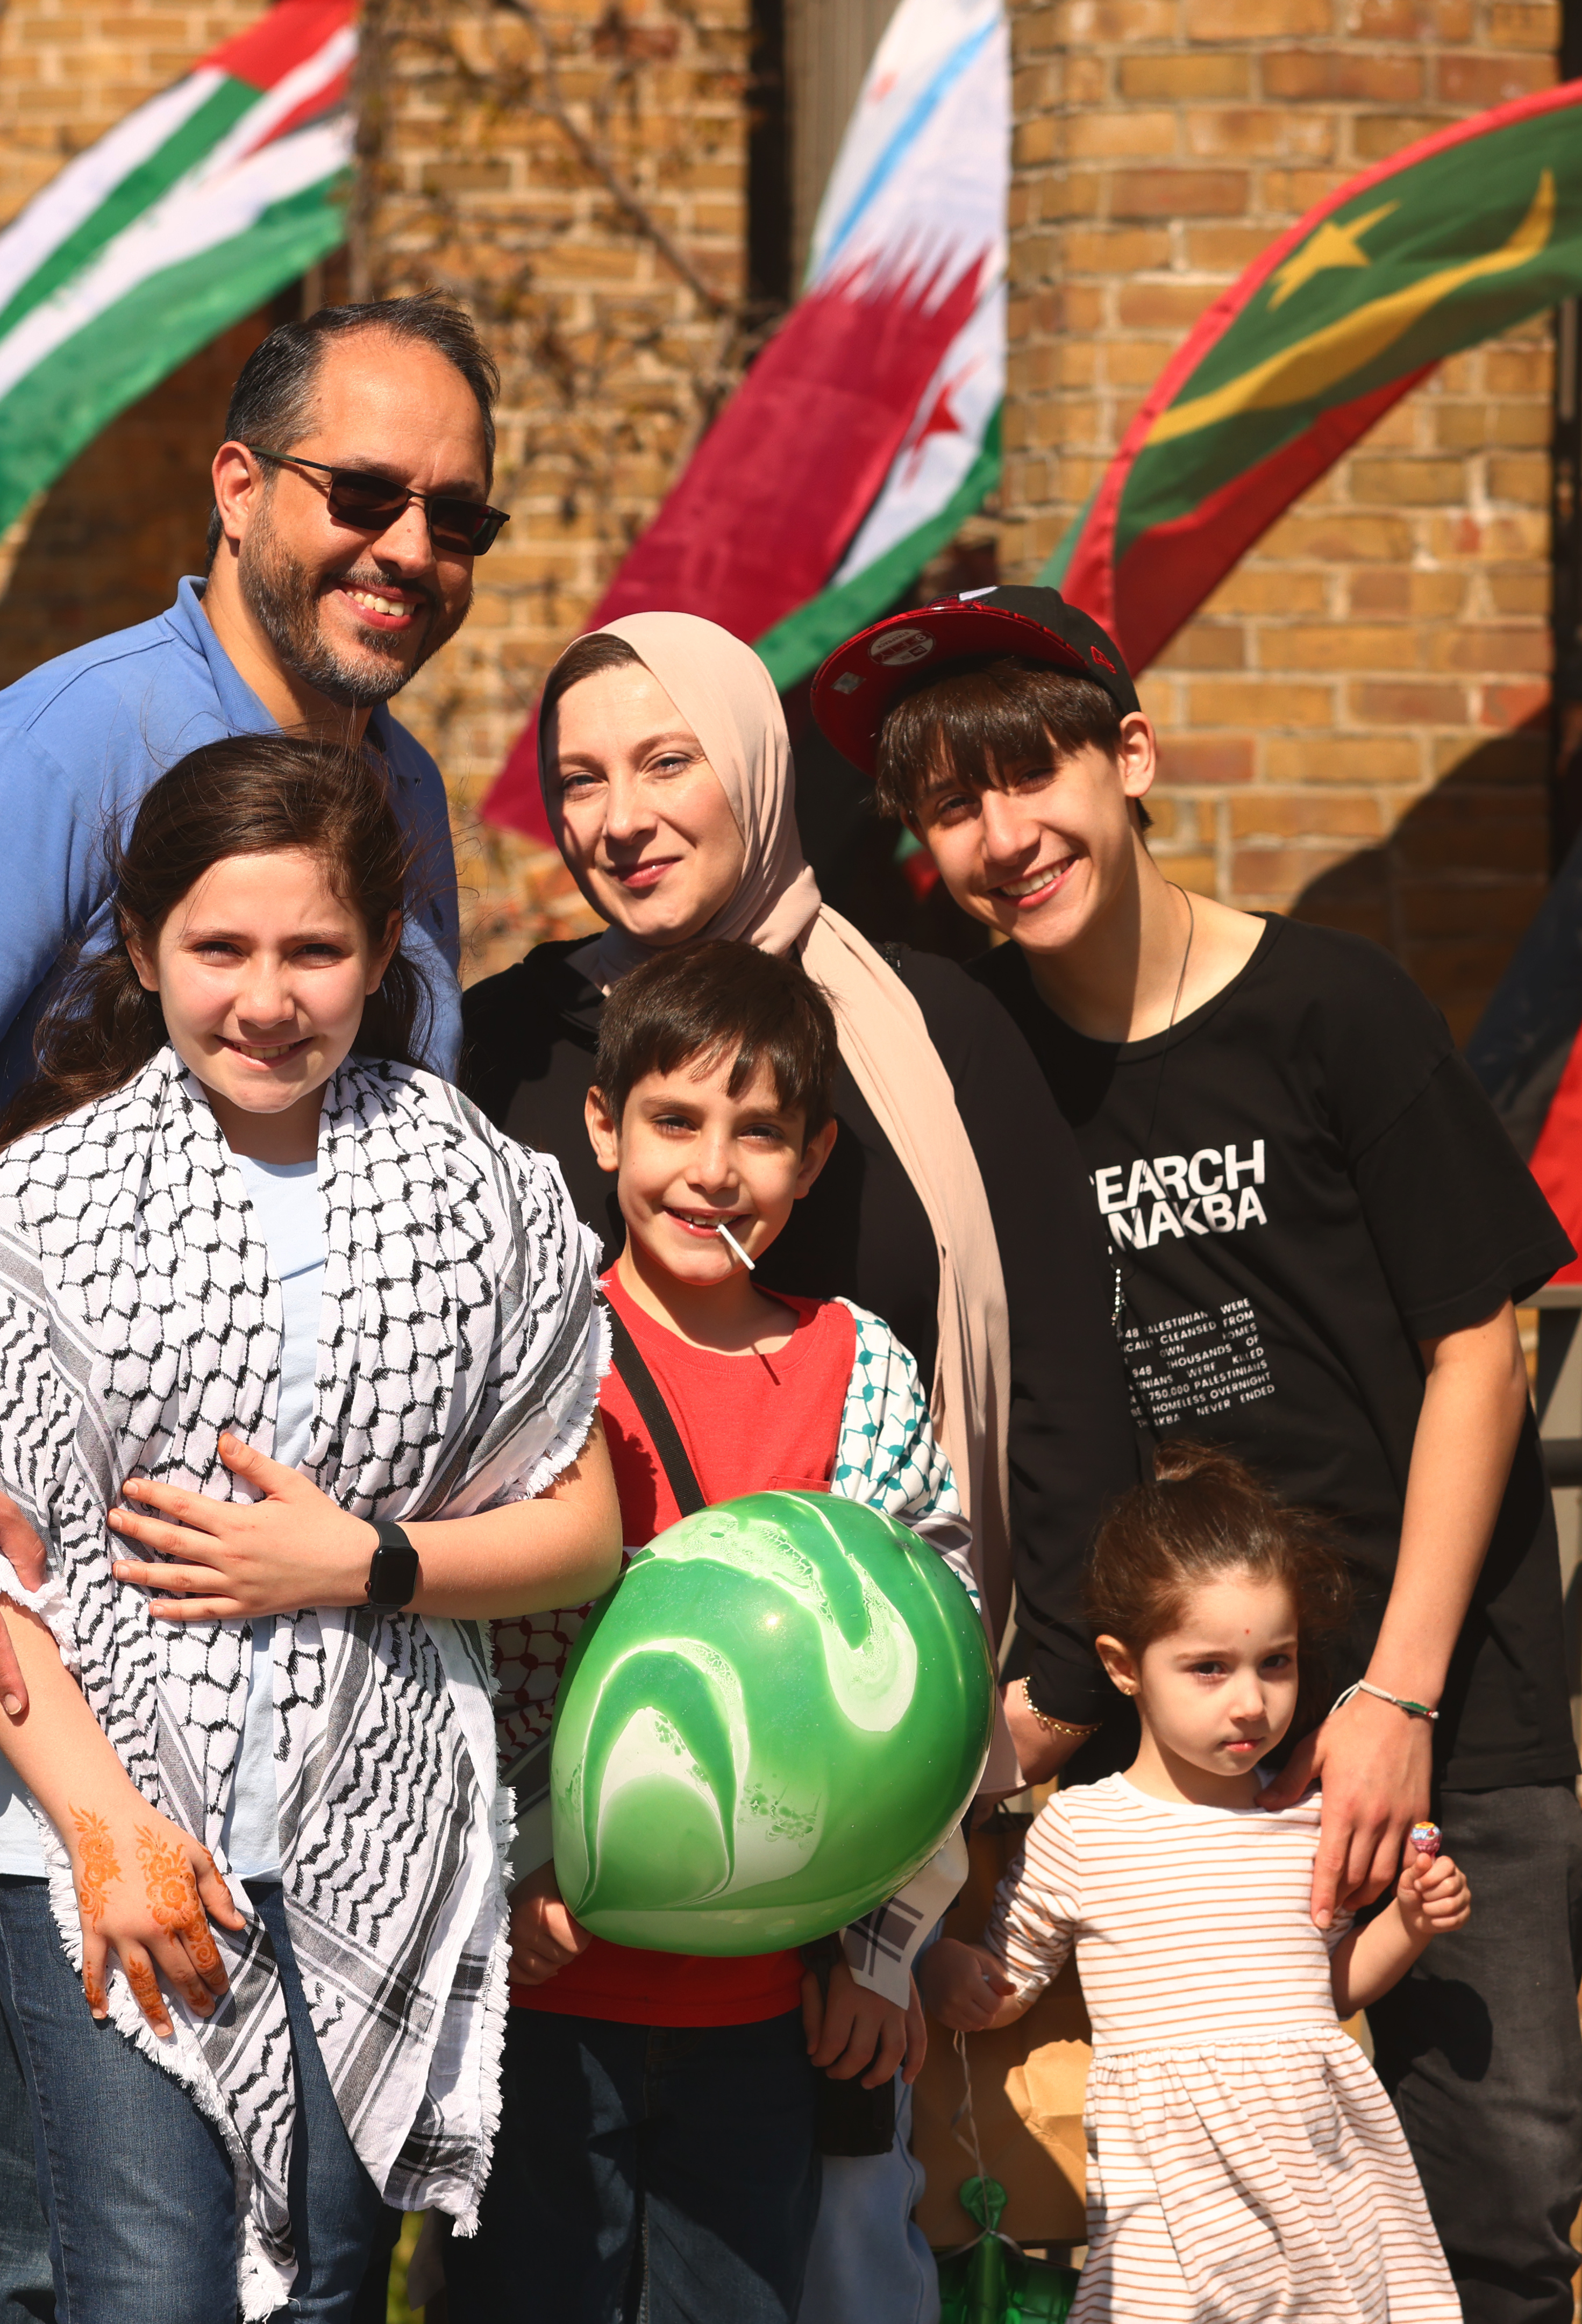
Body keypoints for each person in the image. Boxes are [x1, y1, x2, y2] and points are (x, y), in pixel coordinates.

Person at [0, 297, 509, 2319]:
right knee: (29, 2229)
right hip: (14, 1594)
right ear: (241, 484)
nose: (408, 550)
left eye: (459, 518)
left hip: (283, 1632)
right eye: (365, 494)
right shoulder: (76, 743)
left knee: (262, 2223)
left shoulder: (403, 796)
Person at [813, 586, 1582, 2324]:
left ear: (1131, 756)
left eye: (1032, 774)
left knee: (1499, 2204)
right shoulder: (979, 1069)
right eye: (952, 804)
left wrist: (1395, 1699)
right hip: (1171, 1749)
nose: (1004, 835)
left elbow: (1481, 1343)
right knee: (1197, 2225)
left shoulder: (1333, 1009)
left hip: (1438, 1693)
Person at [458, 612, 1145, 2319]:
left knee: (801, 2260)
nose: (621, 813)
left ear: (757, 766)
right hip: (565, 1885)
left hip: (892, 1796)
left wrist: (1030, 1704)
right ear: (613, 1126)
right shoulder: (505, 1047)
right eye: (580, 779)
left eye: (666, 758)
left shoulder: (931, 1027)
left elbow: (1060, 1364)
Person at [0, 732, 619, 2317]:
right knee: (156, 2284)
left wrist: (366, 1560)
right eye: (220, 947)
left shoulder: (480, 1187)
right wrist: (110, 1832)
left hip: (373, 1829)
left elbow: (581, 1526)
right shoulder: (50, 1200)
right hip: (92, 1822)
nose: (267, 995)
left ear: (381, 957)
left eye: (314, 949)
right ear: (149, 947)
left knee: (328, 2289)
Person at [448, 938, 971, 2324]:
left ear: (814, 1158)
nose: (712, 1168)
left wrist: (876, 1952)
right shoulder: (529, 1341)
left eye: (760, 1133)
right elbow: (449, 1657)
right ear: (604, 1125)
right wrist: (512, 1869)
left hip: (761, 2012)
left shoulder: (860, 1368)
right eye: (675, 1120)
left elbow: (926, 1654)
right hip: (542, 1988)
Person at [920, 1446, 1472, 2322]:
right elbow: (1009, 1985)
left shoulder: (1307, 1820)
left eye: (1277, 1663)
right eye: (1210, 1667)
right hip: (1170, 2202)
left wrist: (1408, 1921)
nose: (1251, 1702)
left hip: (1325, 2193)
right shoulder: (1082, 1828)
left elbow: (1321, 1993)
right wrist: (938, 1969)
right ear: (1124, 1663)